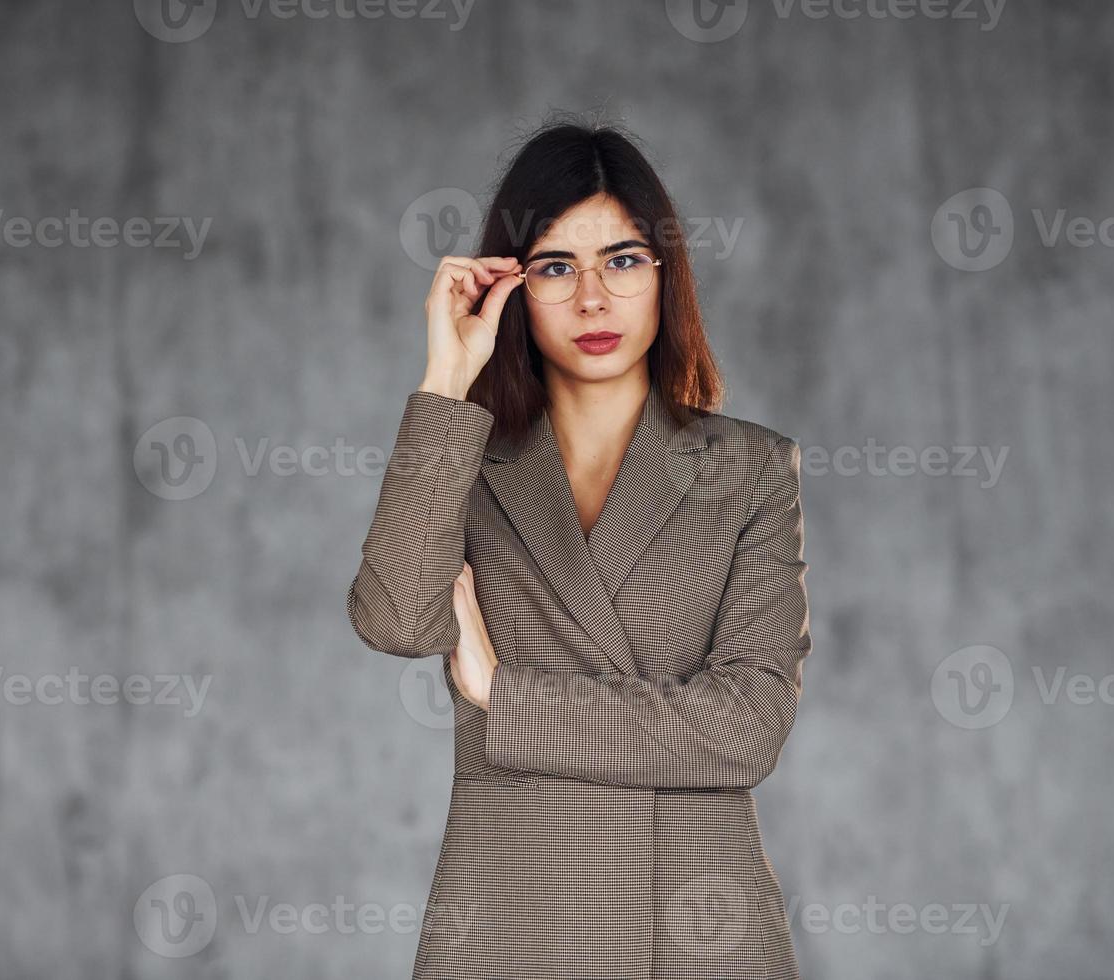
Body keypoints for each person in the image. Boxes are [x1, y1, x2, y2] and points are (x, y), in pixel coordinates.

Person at [347, 118, 810, 979]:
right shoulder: (463, 458)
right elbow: (398, 621)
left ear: (666, 277)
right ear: (511, 286)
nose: (593, 300)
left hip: (695, 923)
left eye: (624, 261)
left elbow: (746, 729)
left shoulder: (749, 467)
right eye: (557, 267)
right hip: (511, 914)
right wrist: (447, 379)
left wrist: (503, 696)